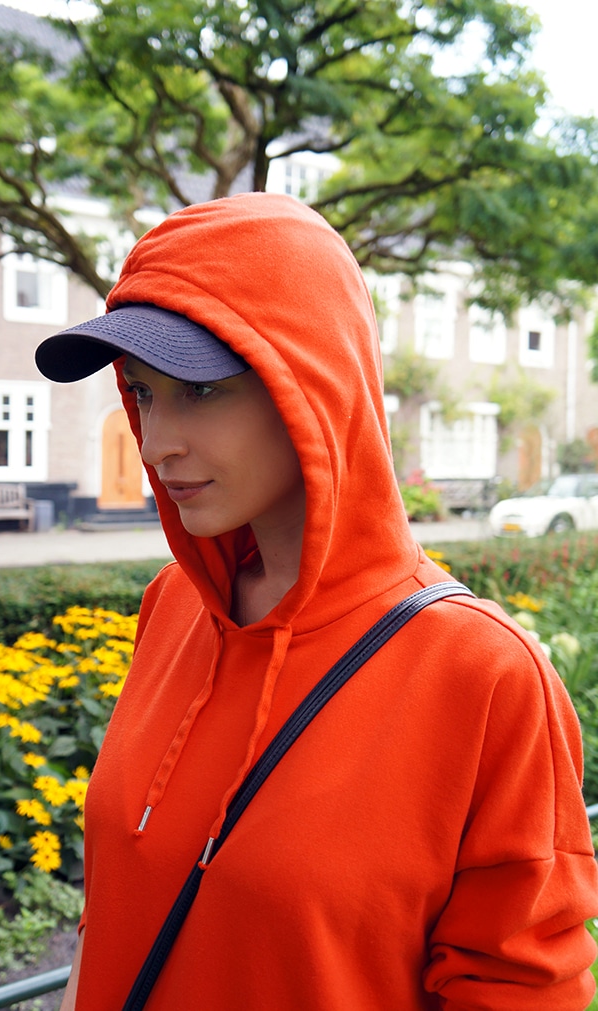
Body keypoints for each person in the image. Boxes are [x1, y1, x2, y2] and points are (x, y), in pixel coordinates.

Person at [35, 192, 598, 1010]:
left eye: (199, 390)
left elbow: (519, 990)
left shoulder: (484, 677)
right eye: (143, 392)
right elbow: (116, 909)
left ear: (311, 381)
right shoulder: (174, 606)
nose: (156, 444)